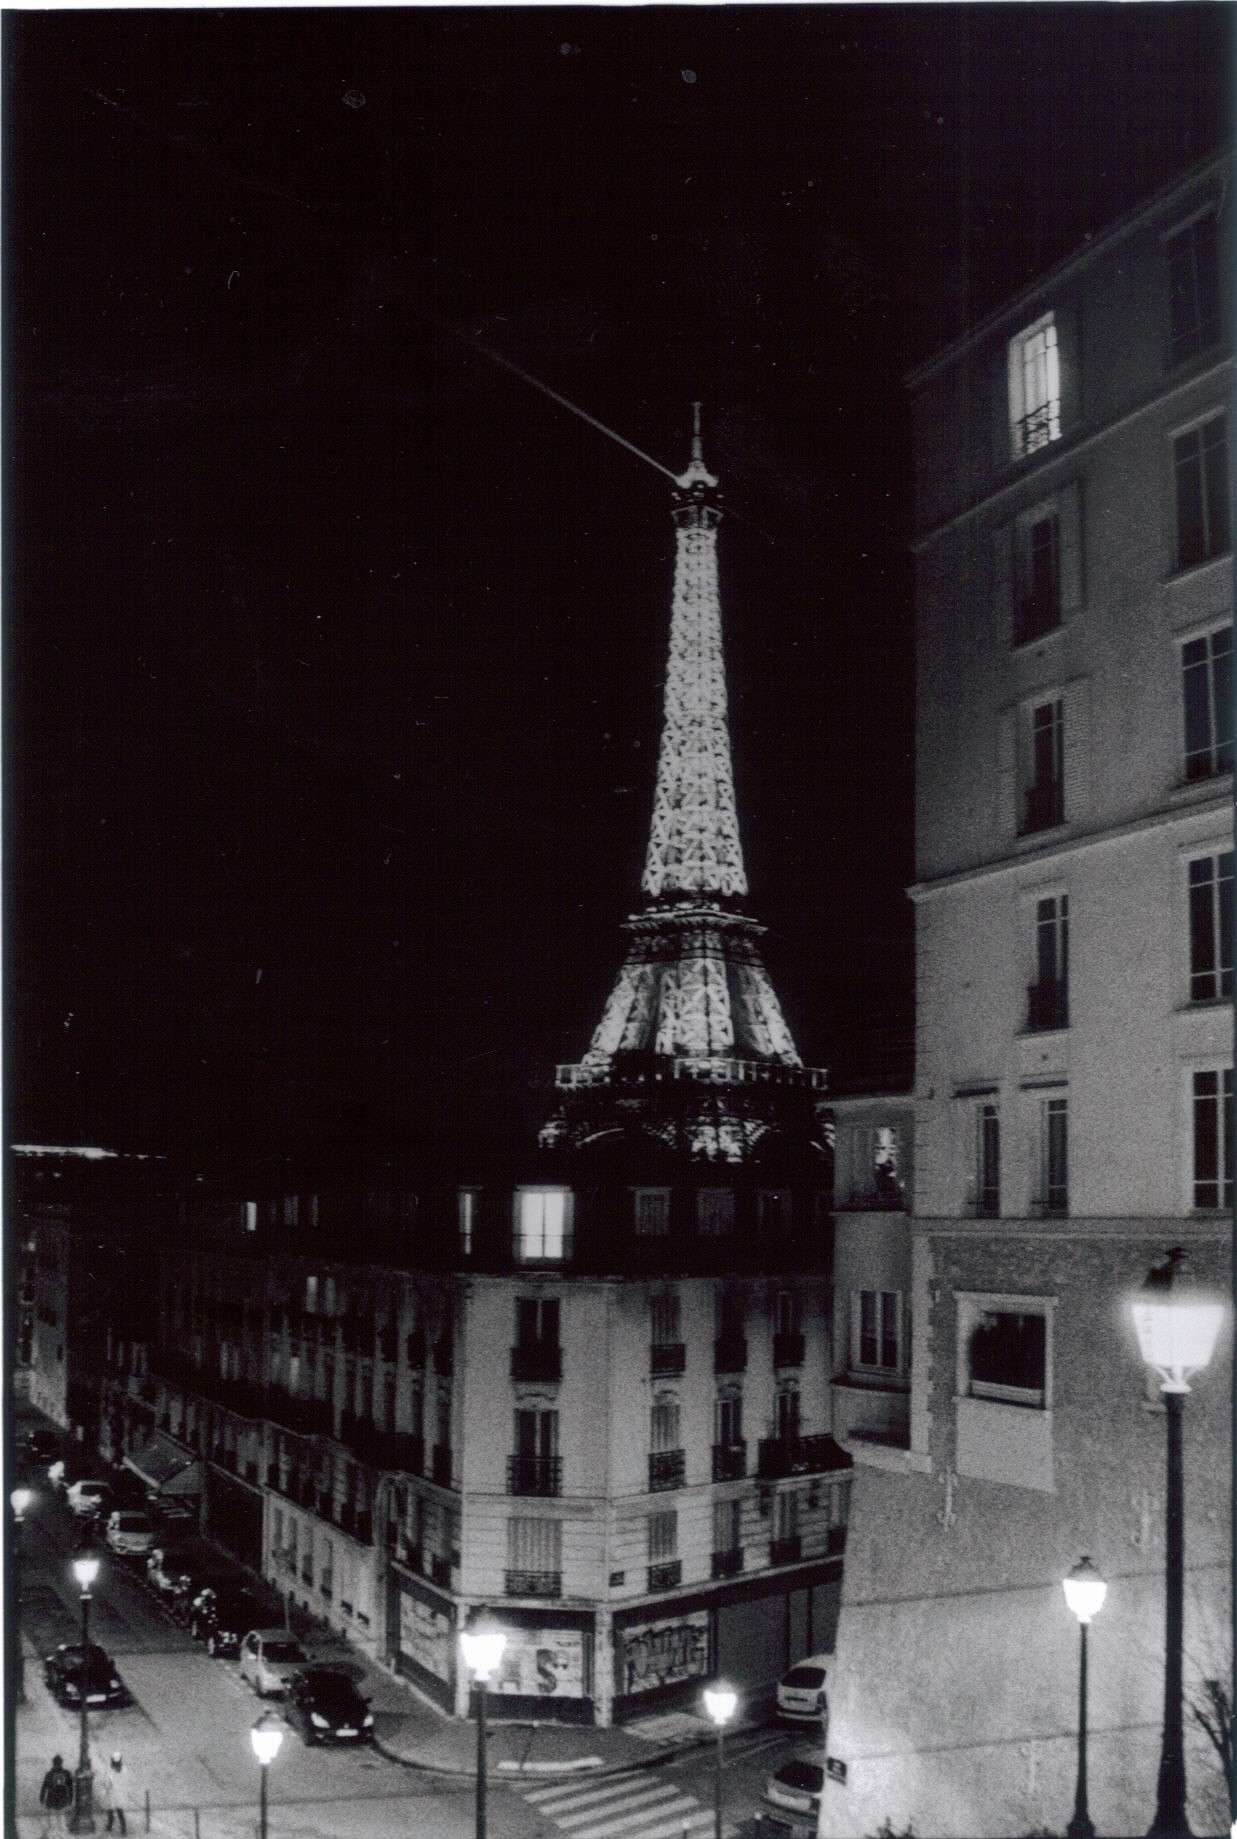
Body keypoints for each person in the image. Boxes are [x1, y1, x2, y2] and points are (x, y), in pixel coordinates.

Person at [38, 1754, 74, 1834]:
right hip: (61, 1797)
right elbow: (70, 1787)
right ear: (61, 1763)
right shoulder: (66, 1773)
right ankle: (61, 1832)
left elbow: (44, 1787)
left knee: (53, 1816)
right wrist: (70, 1798)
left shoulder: (50, 1774)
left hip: (52, 1797)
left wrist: (42, 1798)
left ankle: (55, 1832)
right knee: (60, 1816)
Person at [98, 1751, 130, 1834]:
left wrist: (106, 1786)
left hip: (112, 1793)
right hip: (119, 1793)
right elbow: (126, 1781)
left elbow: (106, 1782)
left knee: (111, 1812)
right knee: (120, 1812)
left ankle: (109, 1827)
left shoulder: (110, 1769)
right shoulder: (124, 1769)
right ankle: (123, 1829)